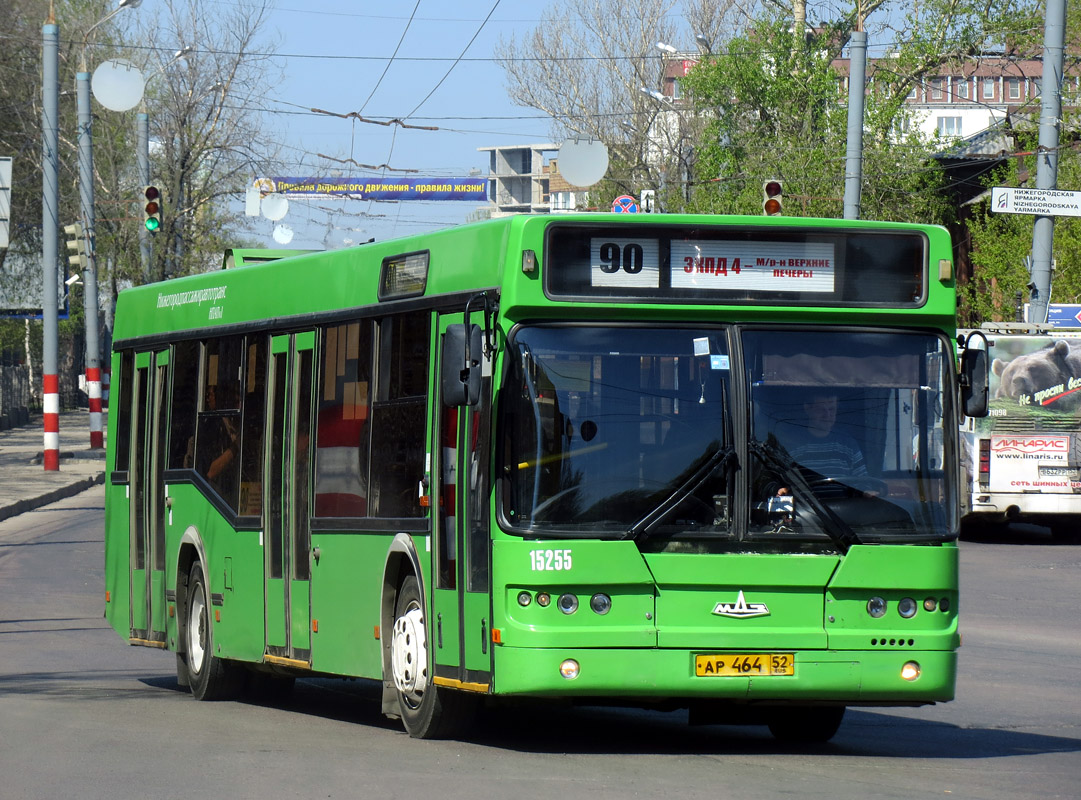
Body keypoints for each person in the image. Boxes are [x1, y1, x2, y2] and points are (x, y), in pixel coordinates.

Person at [775, 391, 870, 499]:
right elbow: (782, 484)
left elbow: (862, 481)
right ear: (807, 408)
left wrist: (866, 491)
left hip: (844, 512)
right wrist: (782, 489)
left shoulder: (848, 444)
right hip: (805, 512)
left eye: (831, 409)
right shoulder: (792, 445)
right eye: (821, 409)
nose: (827, 415)